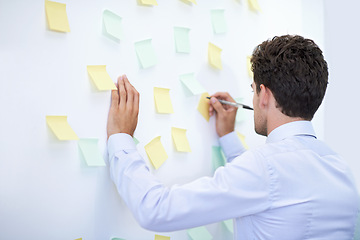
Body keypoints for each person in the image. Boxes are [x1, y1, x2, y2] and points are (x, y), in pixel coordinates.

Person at [106, 35, 359, 239]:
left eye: (252, 90)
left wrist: (121, 139)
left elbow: (157, 210)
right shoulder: (341, 170)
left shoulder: (264, 169)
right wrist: (227, 135)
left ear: (264, 95)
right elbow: (267, 191)